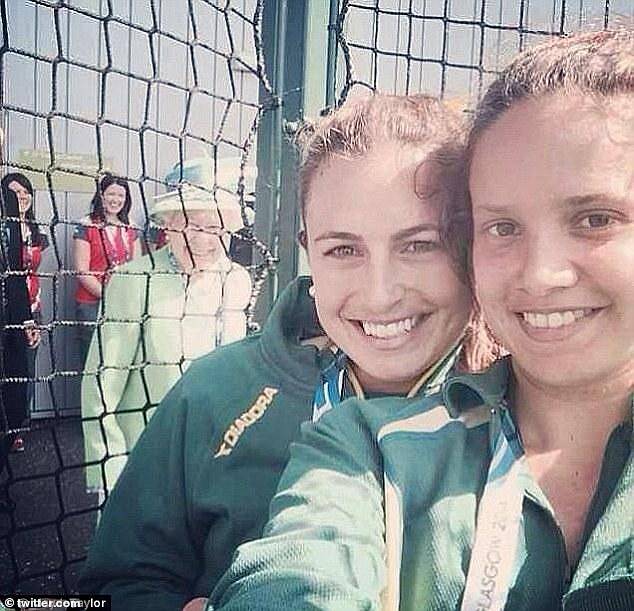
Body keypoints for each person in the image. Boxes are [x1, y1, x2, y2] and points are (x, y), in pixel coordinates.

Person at [209, 29, 634, 611]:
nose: (541, 275)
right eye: (503, 227)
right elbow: (300, 574)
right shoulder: (366, 443)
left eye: (594, 219)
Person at [79, 94, 479, 610]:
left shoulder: (534, 405)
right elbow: (118, 582)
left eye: (420, 244)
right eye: (343, 250)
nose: (380, 293)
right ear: (308, 251)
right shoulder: (213, 392)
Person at [81, 185, 252, 496]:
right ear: (169, 227)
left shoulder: (236, 280)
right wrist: (111, 468)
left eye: (215, 228)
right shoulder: (134, 279)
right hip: (145, 462)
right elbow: (101, 382)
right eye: (193, 226)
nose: (204, 239)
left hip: (214, 461)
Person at [1, 173, 49, 450]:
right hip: (6, 310)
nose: (21, 196)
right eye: (14, 191)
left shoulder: (35, 229)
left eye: (25, 190)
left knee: (24, 369)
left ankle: (19, 426)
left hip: (31, 307)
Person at [73, 174, 138, 368]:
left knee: (117, 362)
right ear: (101, 195)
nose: (115, 200)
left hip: (123, 305)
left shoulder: (130, 227)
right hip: (91, 306)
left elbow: (137, 268)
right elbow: (82, 271)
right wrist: (109, 296)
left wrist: (125, 298)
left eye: (120, 195)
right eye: (111, 194)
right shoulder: (86, 225)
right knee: (92, 363)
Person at [0, 186, 31, 511]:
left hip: (9, 324)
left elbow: (15, 268)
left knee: (15, 406)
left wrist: (25, 319)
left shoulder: (7, 197)